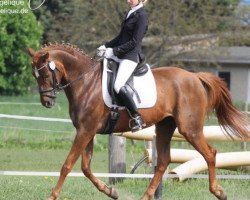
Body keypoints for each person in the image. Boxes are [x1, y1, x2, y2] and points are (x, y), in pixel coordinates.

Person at [97, 0, 148, 132]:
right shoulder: (130, 13)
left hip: (130, 57)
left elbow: (134, 42)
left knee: (118, 85)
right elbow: (121, 37)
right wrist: (106, 45)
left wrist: (113, 51)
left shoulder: (142, 16)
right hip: (120, 54)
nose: (128, 0)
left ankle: (136, 117)